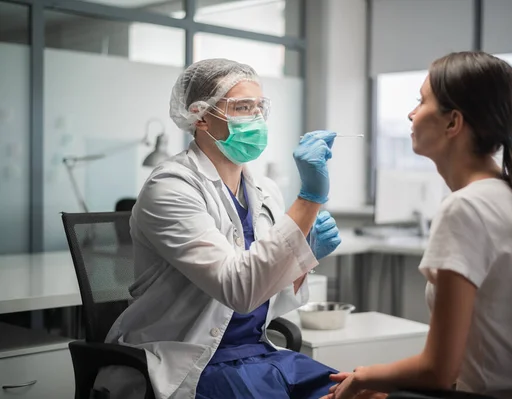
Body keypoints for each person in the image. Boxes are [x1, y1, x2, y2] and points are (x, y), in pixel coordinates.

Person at [323, 51, 512, 399]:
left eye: (421, 101)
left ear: (453, 123)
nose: (411, 113)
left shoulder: (466, 208)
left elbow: (439, 370)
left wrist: (367, 376)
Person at [96, 59, 342, 399]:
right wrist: (310, 199)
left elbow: (269, 294)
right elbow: (239, 291)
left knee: (357, 390)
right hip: (192, 361)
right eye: (242, 108)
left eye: (259, 108)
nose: (256, 119)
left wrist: (304, 257)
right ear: (200, 116)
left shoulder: (264, 190)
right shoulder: (169, 188)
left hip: (256, 354)